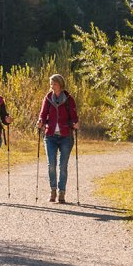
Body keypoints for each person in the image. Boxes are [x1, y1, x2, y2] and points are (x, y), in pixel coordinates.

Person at [37, 74, 78, 203]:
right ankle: (53, 190)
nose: (52, 86)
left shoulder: (69, 99)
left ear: (60, 84)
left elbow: (73, 115)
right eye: (51, 84)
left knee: (63, 165)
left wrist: (76, 123)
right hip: (50, 136)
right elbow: (43, 114)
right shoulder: (48, 98)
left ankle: (62, 192)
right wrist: (40, 122)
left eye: (54, 83)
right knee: (51, 165)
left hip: (66, 136)